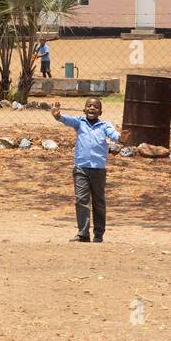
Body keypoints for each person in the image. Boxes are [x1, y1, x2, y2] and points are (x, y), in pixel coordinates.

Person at [52, 97, 121, 243]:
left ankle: (98, 234)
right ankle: (83, 233)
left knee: (99, 202)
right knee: (81, 200)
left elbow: (115, 136)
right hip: (81, 168)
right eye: (89, 106)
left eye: (95, 107)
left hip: (98, 170)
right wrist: (58, 115)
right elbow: (67, 120)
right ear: (84, 110)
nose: (92, 108)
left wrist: (121, 137)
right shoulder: (79, 123)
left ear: (100, 111)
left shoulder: (104, 125)